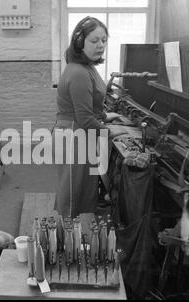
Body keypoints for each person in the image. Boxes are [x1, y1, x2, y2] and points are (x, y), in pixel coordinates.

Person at [53, 16, 127, 219]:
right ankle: (65, 242)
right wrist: (112, 133)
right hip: (74, 136)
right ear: (79, 42)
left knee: (80, 188)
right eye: (94, 41)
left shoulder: (88, 67)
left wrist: (105, 116)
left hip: (79, 132)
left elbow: (92, 105)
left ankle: (73, 233)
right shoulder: (79, 73)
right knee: (72, 192)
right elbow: (85, 119)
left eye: (103, 40)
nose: (100, 45)